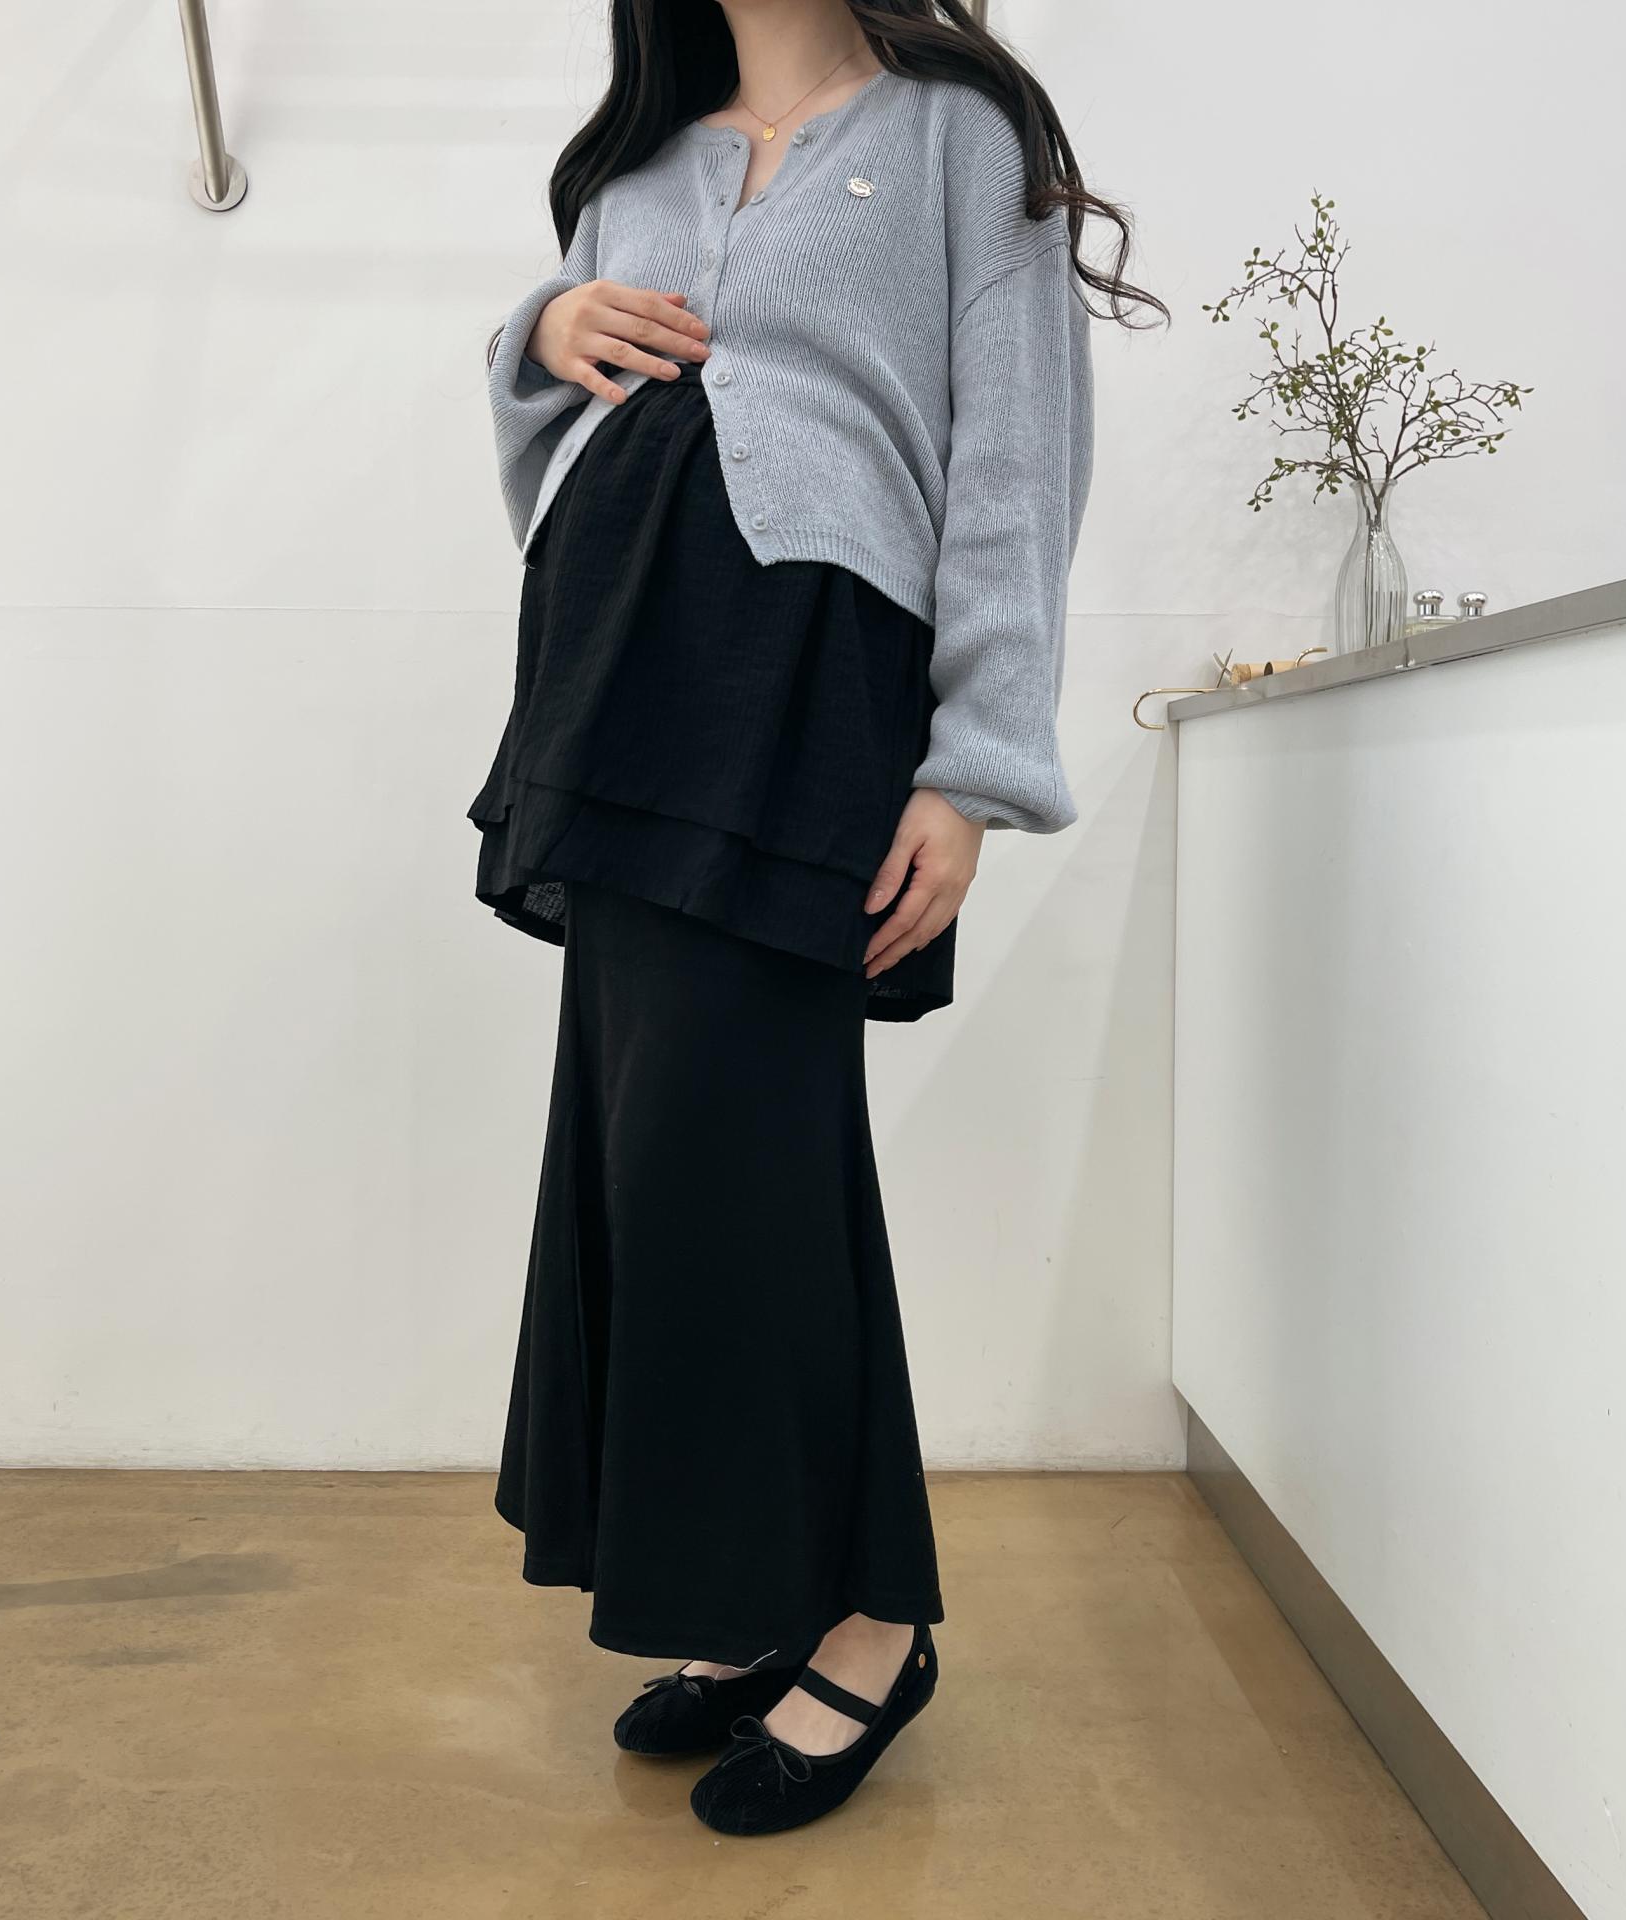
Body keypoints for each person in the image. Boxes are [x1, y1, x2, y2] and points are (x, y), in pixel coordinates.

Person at [468, 0, 1163, 1837]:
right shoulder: (634, 158)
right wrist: (539, 332)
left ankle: (869, 1620)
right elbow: (555, 418)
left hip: (804, 679)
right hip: (620, 669)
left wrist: (975, 764)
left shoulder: (955, 136)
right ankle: (761, 1597)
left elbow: (1015, 462)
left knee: (751, 1153)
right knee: (643, 1152)